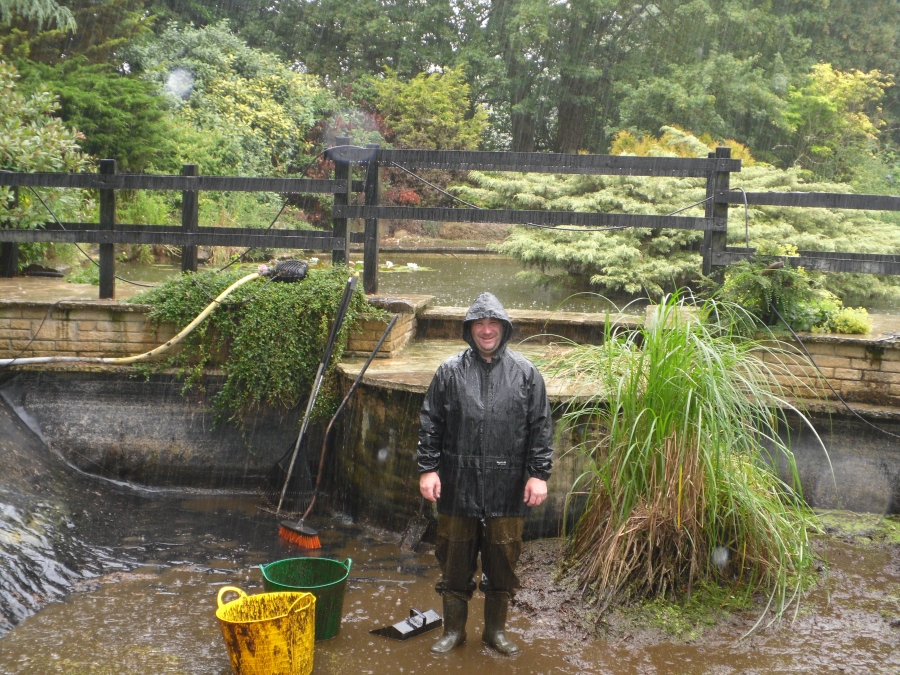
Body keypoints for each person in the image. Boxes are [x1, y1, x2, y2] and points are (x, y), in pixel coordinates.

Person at [417, 292, 553, 655]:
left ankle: (495, 632)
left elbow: (541, 427)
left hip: (507, 489)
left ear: (505, 328)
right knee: (453, 561)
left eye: (494, 323)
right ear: (470, 329)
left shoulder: (526, 373)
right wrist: (428, 468)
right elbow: (430, 422)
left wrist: (539, 474)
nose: (487, 330)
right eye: (480, 323)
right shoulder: (449, 371)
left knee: (503, 562)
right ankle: (454, 631)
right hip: (457, 486)